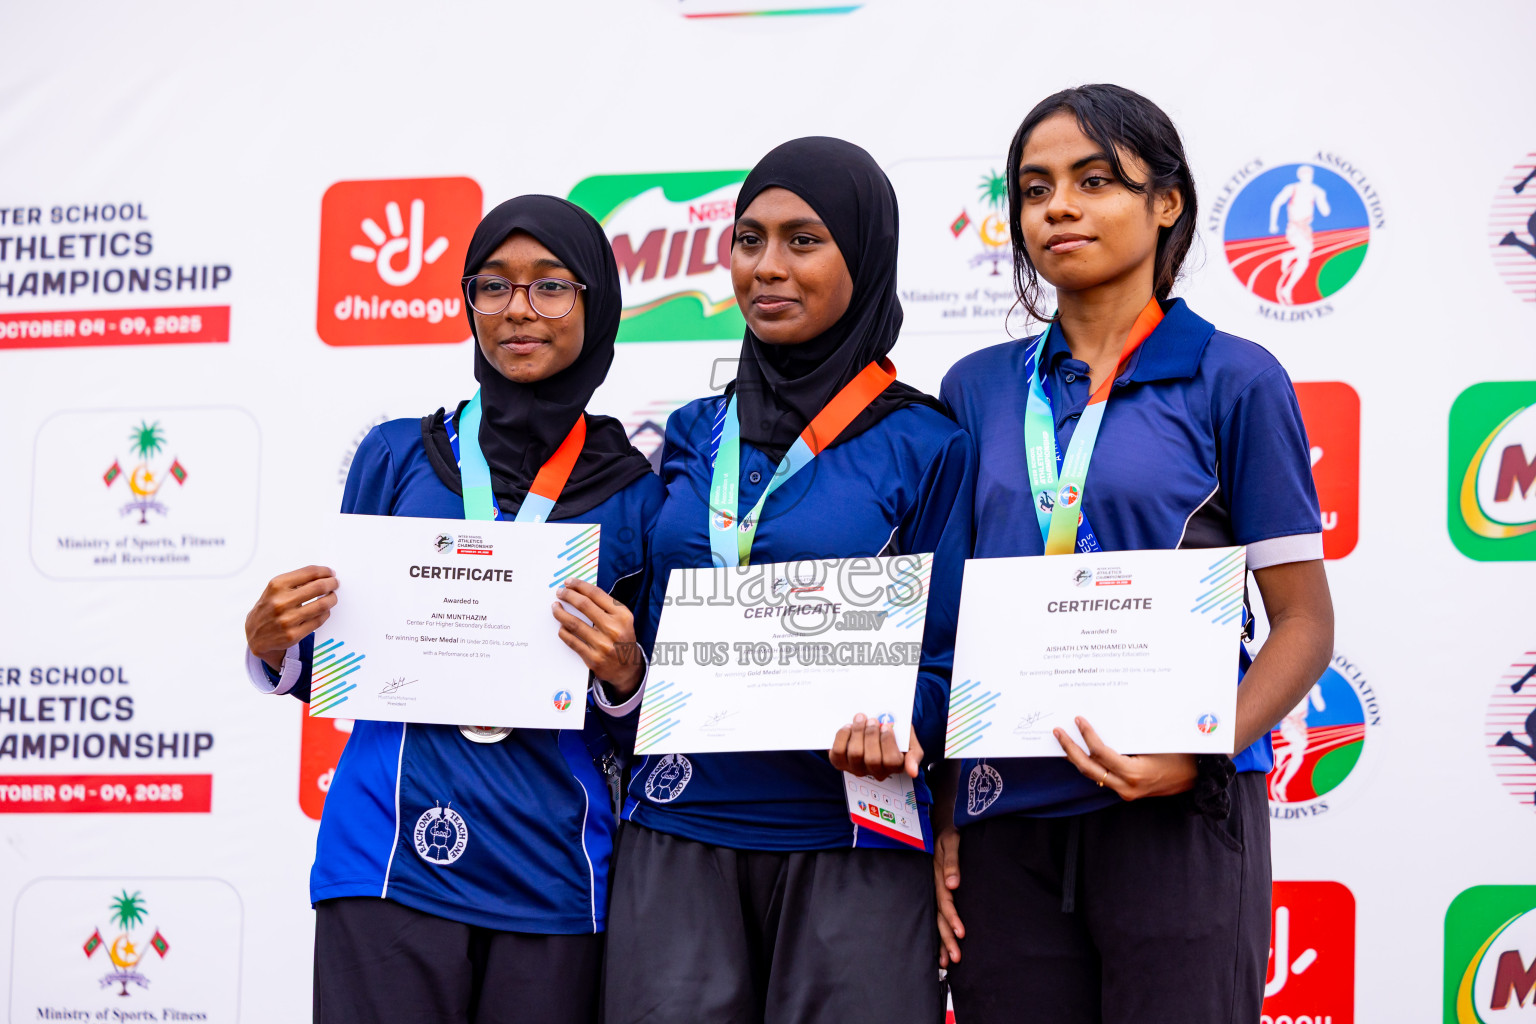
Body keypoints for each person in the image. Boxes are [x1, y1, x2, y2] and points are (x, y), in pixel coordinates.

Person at [935, 85, 1335, 1023]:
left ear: (1168, 203)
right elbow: (952, 626)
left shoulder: (1233, 376)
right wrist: (947, 814)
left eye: (1096, 180)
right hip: (1006, 817)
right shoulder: (976, 389)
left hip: (1174, 812)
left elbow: (1306, 625)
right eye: (1036, 190)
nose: (1059, 207)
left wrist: (1197, 753)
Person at [241, 195, 664, 1024]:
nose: (517, 311)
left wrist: (626, 675)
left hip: (553, 862)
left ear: (597, 305)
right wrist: (272, 647)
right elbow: (344, 666)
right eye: (492, 286)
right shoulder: (397, 454)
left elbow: (642, 721)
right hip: (387, 848)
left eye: (550, 287)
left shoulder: (638, 495)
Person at [600, 137, 975, 1024]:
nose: (767, 267)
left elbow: (955, 654)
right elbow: (647, 631)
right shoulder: (691, 431)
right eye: (748, 239)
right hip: (680, 825)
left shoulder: (928, 443)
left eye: (804, 240)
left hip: (851, 831)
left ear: (865, 254)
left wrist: (903, 723)